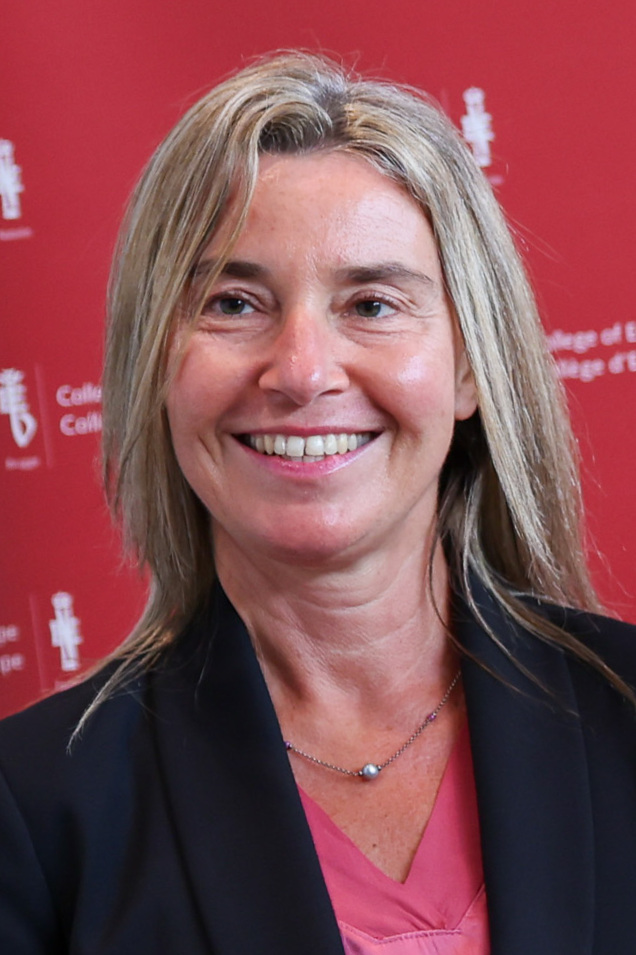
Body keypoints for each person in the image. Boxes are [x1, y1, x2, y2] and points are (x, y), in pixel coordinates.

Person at [1, 51, 635, 955]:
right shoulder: (34, 808)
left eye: (371, 304)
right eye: (233, 303)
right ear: (157, 371)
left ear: (469, 367)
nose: (301, 371)